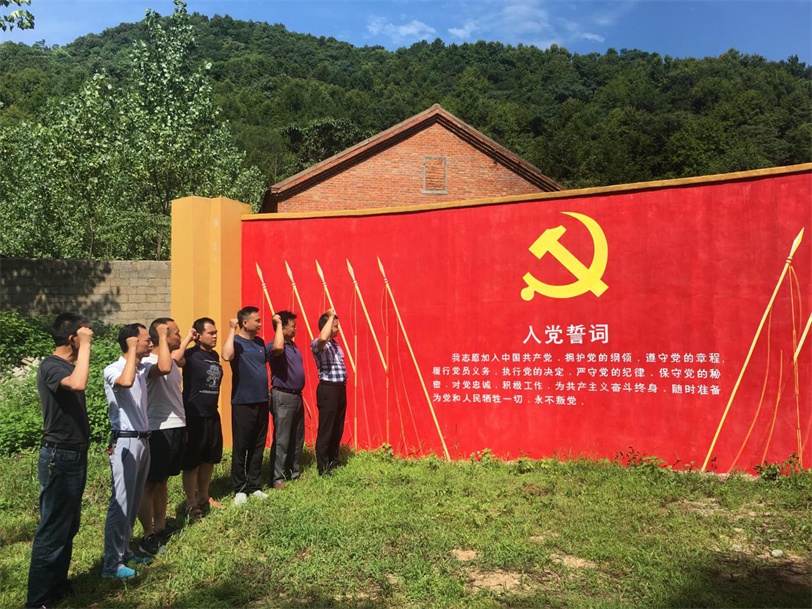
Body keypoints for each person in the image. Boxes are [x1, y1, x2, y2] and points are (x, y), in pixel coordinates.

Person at [26, 313, 93, 609]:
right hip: (59, 456)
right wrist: (86, 345)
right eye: (85, 335)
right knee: (52, 529)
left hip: (73, 454)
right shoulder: (51, 365)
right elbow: (78, 384)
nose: (90, 339)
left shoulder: (66, 365)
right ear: (72, 338)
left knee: (68, 525)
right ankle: (37, 600)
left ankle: (57, 585)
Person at [101, 322, 171, 579]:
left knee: (133, 501)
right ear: (131, 342)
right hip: (125, 441)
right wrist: (131, 351)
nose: (150, 342)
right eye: (145, 339)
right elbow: (126, 381)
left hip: (143, 439)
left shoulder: (142, 368)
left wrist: (161, 338)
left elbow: (165, 367)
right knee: (121, 502)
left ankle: (125, 552)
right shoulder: (114, 369)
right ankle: (111, 564)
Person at [136, 318, 186, 557]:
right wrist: (162, 335)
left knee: (163, 481)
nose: (179, 336)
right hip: (157, 429)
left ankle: (161, 525)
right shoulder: (147, 363)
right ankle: (147, 534)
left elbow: (175, 361)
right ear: (162, 336)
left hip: (176, 426)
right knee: (149, 484)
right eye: (176, 333)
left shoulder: (172, 359)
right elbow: (163, 368)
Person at [222, 306, 270, 505]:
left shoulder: (259, 342)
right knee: (241, 446)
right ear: (245, 323)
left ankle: (254, 485)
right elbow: (226, 356)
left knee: (258, 445)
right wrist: (231, 329)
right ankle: (240, 489)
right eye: (257, 320)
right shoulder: (235, 342)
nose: (260, 324)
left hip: (262, 400)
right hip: (243, 402)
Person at [180, 317, 224, 519]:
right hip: (193, 415)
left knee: (209, 457)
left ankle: (204, 496)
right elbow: (174, 359)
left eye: (216, 333)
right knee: (192, 461)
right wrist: (188, 338)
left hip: (212, 414)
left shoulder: (214, 355)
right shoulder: (190, 355)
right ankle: (190, 501)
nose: (215, 336)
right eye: (211, 333)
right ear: (199, 335)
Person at [268, 310, 305, 490]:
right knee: (282, 439)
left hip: (296, 396)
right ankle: (277, 478)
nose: (295, 329)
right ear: (282, 329)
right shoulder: (275, 345)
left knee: (297, 437)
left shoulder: (293, 346)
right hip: (282, 395)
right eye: (292, 326)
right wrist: (278, 324)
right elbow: (277, 348)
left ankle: (293, 473)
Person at [311, 309, 348, 476]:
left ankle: (334, 462)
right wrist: (331, 316)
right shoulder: (318, 343)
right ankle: (323, 467)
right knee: (327, 428)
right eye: (335, 326)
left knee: (337, 427)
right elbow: (322, 338)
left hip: (340, 388)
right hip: (328, 389)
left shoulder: (336, 344)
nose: (337, 329)